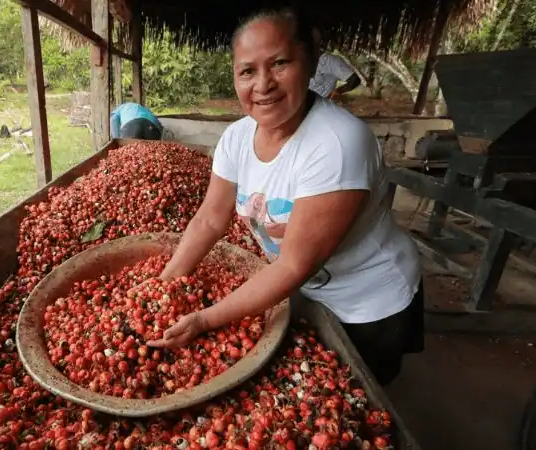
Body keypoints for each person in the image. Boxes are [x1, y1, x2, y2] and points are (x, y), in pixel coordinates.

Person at [145, 7, 424, 387]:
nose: (263, 85)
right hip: (301, 288)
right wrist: (166, 284)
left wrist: (204, 319)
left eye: (279, 63)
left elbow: (293, 265)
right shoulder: (237, 138)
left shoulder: (337, 144)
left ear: (310, 62)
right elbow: (210, 219)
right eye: (247, 71)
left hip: (367, 302)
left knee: (362, 391)